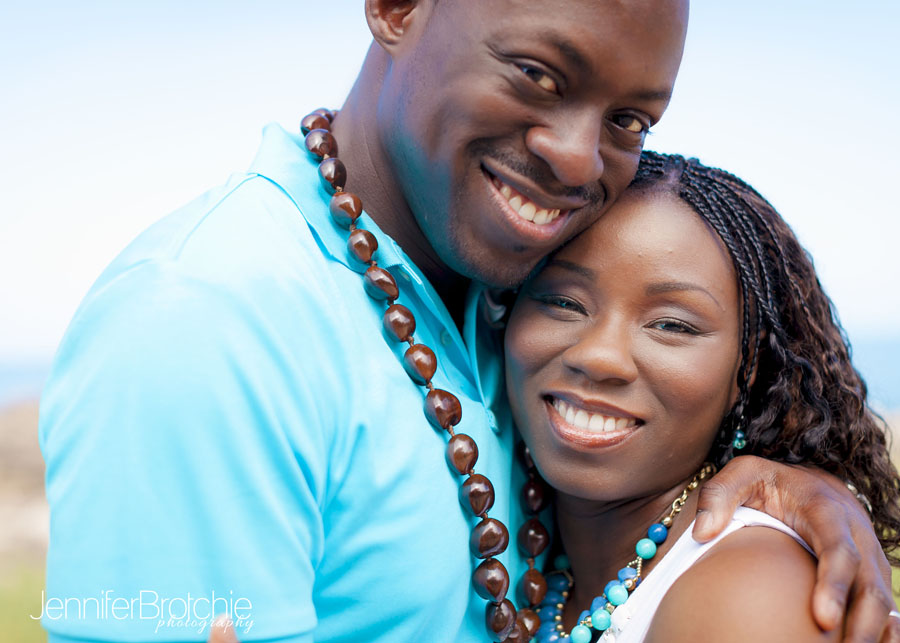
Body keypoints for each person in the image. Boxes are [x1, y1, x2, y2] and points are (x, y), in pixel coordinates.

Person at [37, 1, 897, 642]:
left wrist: (779, 477)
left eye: (628, 119)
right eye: (536, 73)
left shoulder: (501, 298)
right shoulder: (204, 323)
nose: (575, 154)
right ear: (397, 9)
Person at [504, 152, 900, 642]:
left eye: (672, 324)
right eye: (564, 301)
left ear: (749, 369)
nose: (600, 356)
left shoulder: (748, 594)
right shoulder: (543, 556)